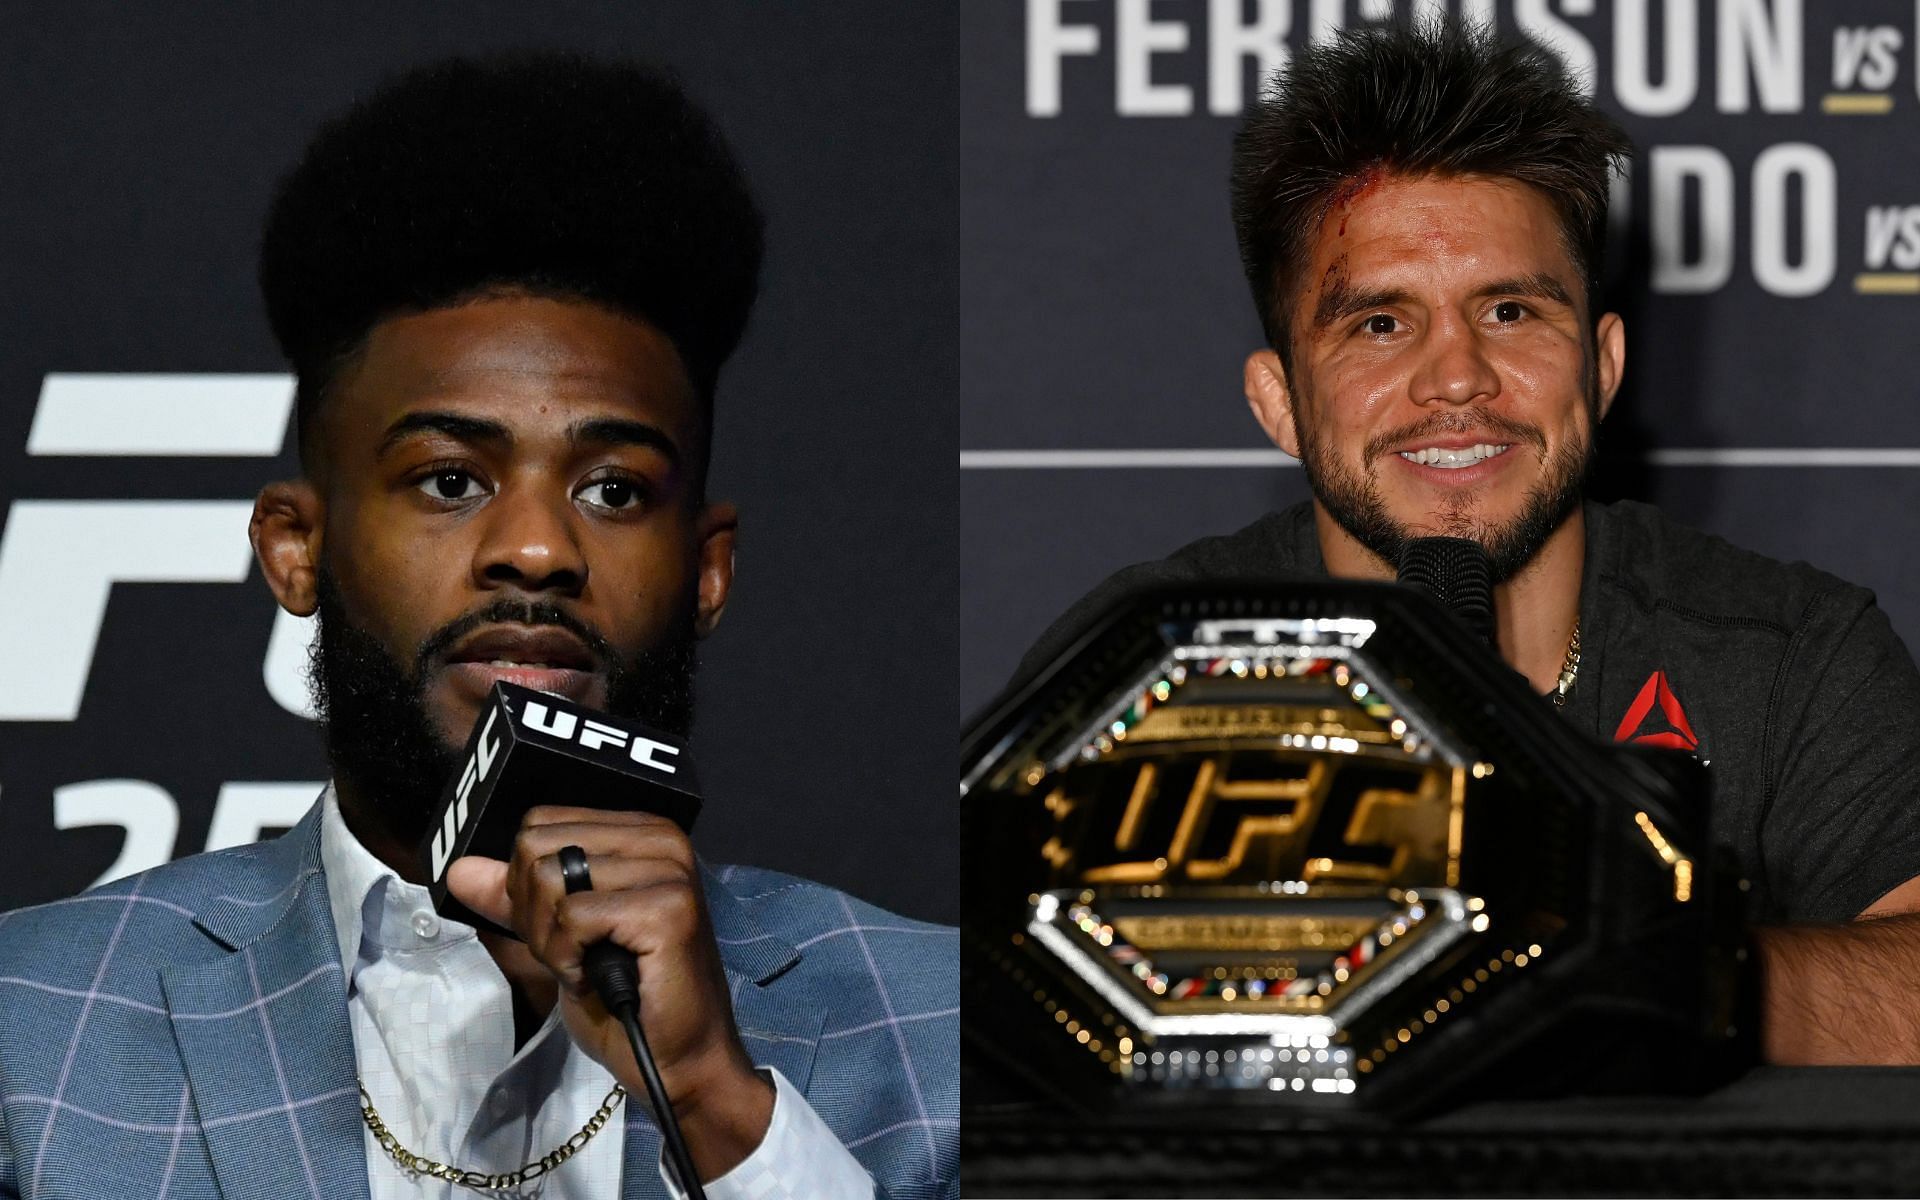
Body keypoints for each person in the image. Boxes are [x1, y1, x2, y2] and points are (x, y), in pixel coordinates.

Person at [0, 53, 955, 1199]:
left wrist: (714, 1099)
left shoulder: (943, 1025)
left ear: (708, 571)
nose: (540, 550)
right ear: (295, 549)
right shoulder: (30, 1026)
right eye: (451, 480)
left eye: (613, 489)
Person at [1015, 24, 1920, 1066]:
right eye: (1381, 325)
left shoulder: (1789, 650)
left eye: (1509, 309)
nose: (1458, 379)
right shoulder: (1140, 671)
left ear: (1603, 365)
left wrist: (1616, 971)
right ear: (1280, 402)